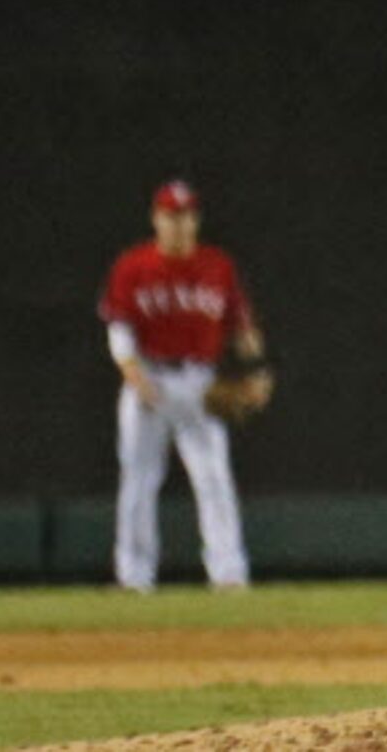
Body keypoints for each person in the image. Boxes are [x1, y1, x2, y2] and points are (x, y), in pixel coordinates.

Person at [101, 180, 263, 592]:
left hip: (200, 382)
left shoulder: (217, 265)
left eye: (186, 215)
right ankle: (133, 576)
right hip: (149, 379)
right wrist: (132, 371)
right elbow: (119, 327)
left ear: (196, 219)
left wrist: (257, 370)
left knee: (214, 479)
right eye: (171, 216)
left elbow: (241, 328)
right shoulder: (133, 265)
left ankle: (228, 574)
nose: (179, 223)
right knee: (138, 480)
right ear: (156, 219)